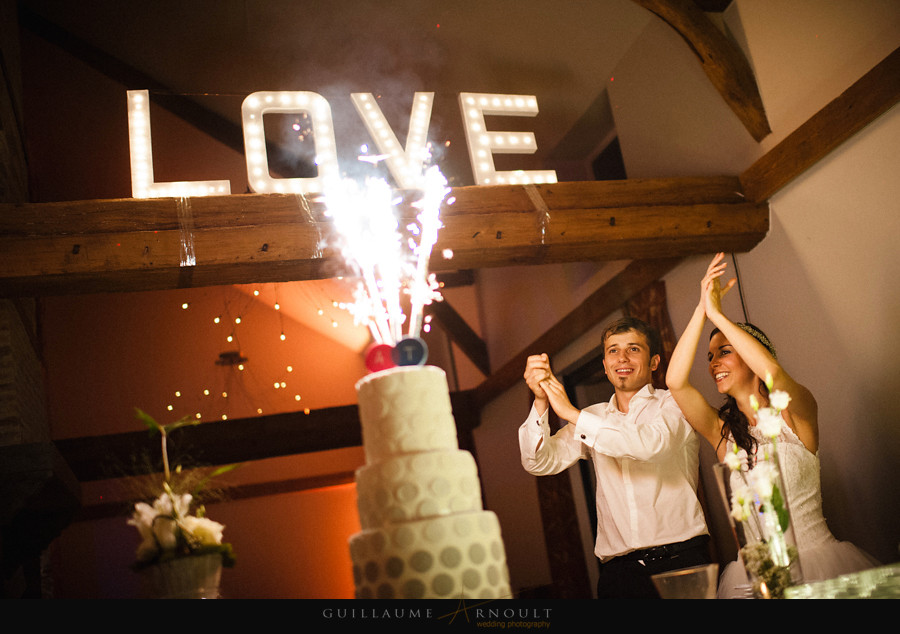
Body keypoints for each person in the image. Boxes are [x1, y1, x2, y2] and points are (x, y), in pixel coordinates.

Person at [666, 252, 879, 598]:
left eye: (724, 352)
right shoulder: (723, 434)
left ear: (752, 354)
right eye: (710, 357)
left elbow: (773, 373)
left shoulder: (795, 410)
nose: (713, 364)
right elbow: (675, 382)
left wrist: (719, 316)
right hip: (754, 577)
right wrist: (702, 311)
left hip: (819, 566)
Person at [519, 316, 710, 599]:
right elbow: (538, 462)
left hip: (679, 561)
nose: (622, 358)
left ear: (654, 362)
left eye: (633, 349)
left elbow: (650, 444)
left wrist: (570, 413)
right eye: (613, 350)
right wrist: (541, 400)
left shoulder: (674, 403)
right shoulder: (593, 417)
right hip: (619, 576)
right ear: (605, 365)